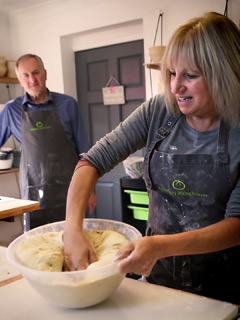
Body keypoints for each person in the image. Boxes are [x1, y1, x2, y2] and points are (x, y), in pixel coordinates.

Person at [63, 12, 240, 304]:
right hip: (159, 277)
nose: (175, 87)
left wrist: (160, 246)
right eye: (172, 73)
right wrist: (72, 228)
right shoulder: (159, 111)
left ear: (222, 73)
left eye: (190, 76)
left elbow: (236, 225)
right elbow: (92, 161)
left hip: (222, 285)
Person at [0, 54, 96, 229]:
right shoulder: (11, 110)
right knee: (37, 245)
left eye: (36, 73)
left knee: (74, 240)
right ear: (20, 80)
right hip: (32, 193)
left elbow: (85, 150)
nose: (32, 79)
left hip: (71, 189)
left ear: (45, 74)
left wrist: (89, 189)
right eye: (26, 75)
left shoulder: (68, 104)